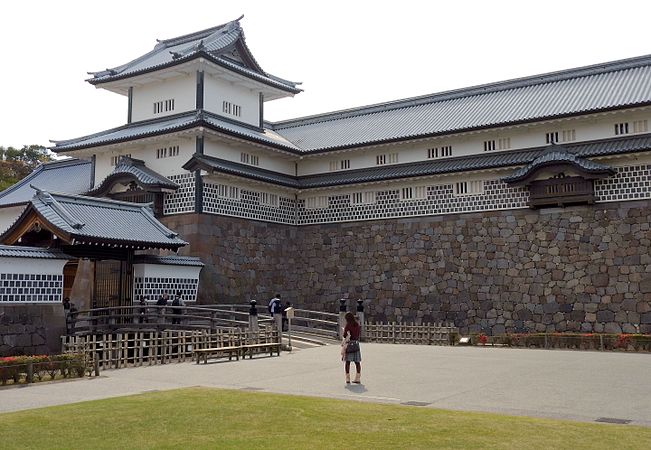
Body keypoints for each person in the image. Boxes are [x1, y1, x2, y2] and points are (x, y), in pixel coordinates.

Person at [342, 312, 362, 384]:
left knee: (348, 362)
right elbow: (359, 333)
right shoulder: (357, 324)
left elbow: (344, 335)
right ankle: (358, 378)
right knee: (357, 362)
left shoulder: (348, 325)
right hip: (356, 344)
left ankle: (348, 378)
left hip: (349, 344)